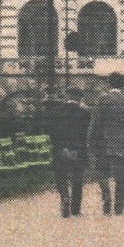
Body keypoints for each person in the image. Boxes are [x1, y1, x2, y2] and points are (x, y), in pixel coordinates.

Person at [89, 73, 124, 216]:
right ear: (123, 85)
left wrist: (91, 143)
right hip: (122, 145)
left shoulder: (102, 100)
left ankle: (106, 196)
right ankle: (119, 207)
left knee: (102, 172)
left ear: (109, 84)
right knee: (122, 178)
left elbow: (94, 124)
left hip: (104, 144)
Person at [46, 86, 90, 218]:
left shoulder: (56, 112)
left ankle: (64, 196)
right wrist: (77, 149)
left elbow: (52, 133)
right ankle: (75, 209)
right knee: (78, 178)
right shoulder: (85, 113)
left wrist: (62, 147)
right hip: (79, 150)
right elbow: (86, 133)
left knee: (61, 175)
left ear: (67, 96)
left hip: (61, 149)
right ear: (80, 98)